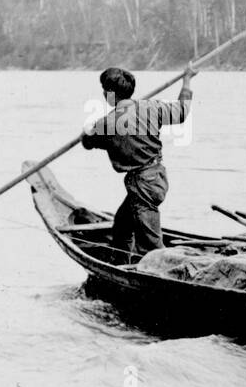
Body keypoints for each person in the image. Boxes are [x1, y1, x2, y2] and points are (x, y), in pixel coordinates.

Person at [82, 66, 193, 262]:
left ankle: (157, 276)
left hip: (142, 186)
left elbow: (88, 143)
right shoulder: (151, 107)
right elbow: (182, 111)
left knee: (151, 247)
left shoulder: (107, 123)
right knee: (122, 225)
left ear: (109, 94)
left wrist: (88, 131)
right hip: (157, 177)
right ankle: (119, 262)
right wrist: (187, 80)